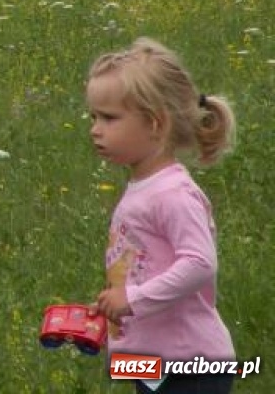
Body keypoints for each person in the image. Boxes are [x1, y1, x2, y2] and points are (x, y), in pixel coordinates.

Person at [86, 38, 237, 393]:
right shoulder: (146, 184)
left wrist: (133, 300)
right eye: (93, 116)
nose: (95, 128)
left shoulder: (173, 194)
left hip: (191, 366)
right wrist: (114, 304)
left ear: (155, 123)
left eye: (109, 118)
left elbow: (200, 263)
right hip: (154, 361)